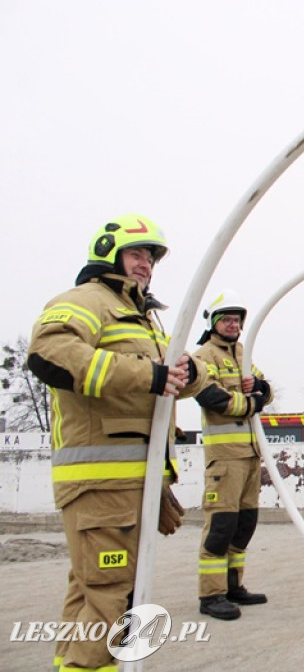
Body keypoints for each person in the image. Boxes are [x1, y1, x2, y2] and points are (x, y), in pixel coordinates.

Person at [27, 214, 202, 671]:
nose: (146, 264)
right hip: (100, 484)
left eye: (150, 257)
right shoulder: (86, 301)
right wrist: (151, 375)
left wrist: (188, 373)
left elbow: (169, 377)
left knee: (94, 591)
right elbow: (49, 353)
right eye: (137, 253)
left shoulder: (141, 317)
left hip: (128, 484)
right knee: (111, 596)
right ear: (108, 253)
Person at [192, 290, 273, 620]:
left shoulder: (243, 353)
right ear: (212, 322)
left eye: (237, 320)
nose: (233, 325)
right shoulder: (203, 355)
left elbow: (266, 388)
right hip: (224, 457)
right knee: (221, 525)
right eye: (226, 319)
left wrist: (258, 391)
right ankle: (211, 594)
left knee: (244, 524)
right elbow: (210, 396)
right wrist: (251, 402)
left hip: (250, 454)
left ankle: (233, 585)